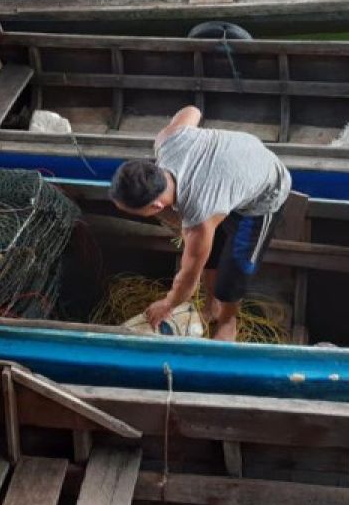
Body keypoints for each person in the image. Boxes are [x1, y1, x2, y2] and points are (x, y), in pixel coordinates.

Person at [107, 105, 292, 342]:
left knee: (235, 269)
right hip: (237, 163)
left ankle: (227, 321)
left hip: (264, 191)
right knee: (211, 253)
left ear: (156, 207)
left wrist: (167, 304)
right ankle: (211, 306)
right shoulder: (168, 139)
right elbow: (192, 110)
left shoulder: (200, 218)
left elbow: (187, 280)